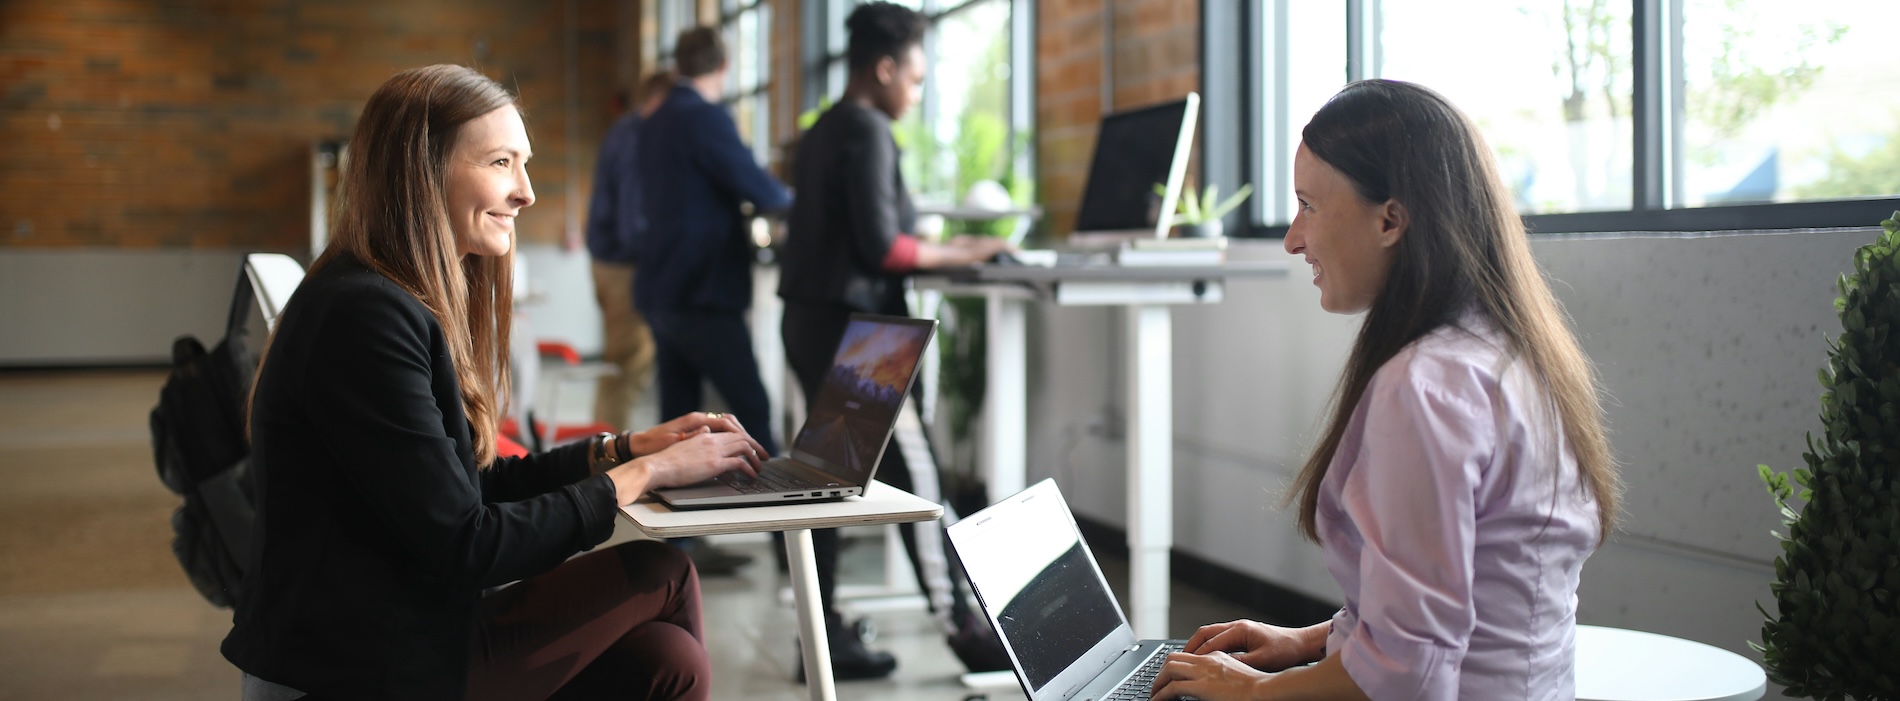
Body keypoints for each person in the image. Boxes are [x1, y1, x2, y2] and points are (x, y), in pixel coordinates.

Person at [222, 64, 768, 701]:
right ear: (421, 174)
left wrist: (625, 449)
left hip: (389, 637)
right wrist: (644, 478)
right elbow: (469, 543)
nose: (526, 192)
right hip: (348, 668)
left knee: (665, 659)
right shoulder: (362, 315)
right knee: (662, 572)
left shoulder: (384, 298)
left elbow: (468, 492)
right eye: (502, 163)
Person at [1147, 79, 1622, 701]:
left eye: (1309, 206)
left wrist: (1250, 693)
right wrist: (1310, 642)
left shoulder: (1425, 388)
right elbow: (1451, 601)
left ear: (1391, 219)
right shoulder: (1508, 351)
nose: (1294, 238)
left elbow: (1410, 673)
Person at [777, 1, 1014, 681]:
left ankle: (817, 638)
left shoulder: (824, 129)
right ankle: (963, 627)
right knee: (919, 473)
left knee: (824, 480)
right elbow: (885, 245)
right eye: (913, 77)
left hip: (813, 319)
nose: (916, 90)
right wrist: (970, 247)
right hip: (859, 334)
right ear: (883, 70)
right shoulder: (869, 129)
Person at [634, 26, 792, 484]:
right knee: (751, 415)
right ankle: (790, 543)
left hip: (662, 287)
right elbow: (759, 189)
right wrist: (806, 203)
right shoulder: (705, 117)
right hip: (703, 290)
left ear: (678, 66)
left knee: (681, 423)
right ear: (724, 67)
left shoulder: (653, 121)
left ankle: (678, 542)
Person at [584, 71, 675, 434]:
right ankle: (608, 453)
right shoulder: (637, 134)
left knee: (621, 361)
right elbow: (632, 212)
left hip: (609, 261)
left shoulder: (623, 130)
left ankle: (603, 444)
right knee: (629, 362)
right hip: (624, 265)